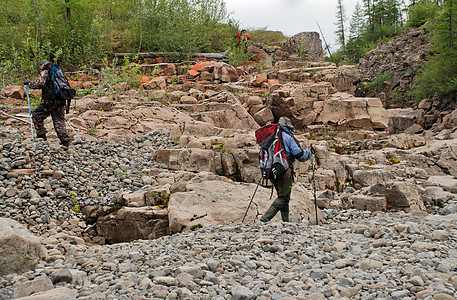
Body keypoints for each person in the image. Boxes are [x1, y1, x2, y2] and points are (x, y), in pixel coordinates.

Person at [260, 116, 316, 222]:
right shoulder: (288, 137)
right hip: (284, 172)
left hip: (269, 171)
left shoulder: (269, 137)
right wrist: (310, 151)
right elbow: (301, 156)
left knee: (282, 196)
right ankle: (264, 219)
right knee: (284, 198)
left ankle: (285, 221)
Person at [23, 60, 71, 148]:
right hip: (60, 99)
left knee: (37, 115)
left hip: (50, 100)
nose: (39, 69)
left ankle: (41, 137)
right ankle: (65, 141)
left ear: (41, 65)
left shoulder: (46, 71)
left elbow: (40, 83)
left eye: (39, 67)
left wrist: (29, 83)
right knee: (58, 120)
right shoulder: (57, 71)